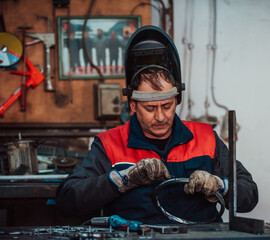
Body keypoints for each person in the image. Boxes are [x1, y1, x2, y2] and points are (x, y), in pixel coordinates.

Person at [56, 25, 258, 224]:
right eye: (150, 108)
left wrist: (220, 186)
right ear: (133, 105)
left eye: (167, 106)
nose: (161, 117)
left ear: (177, 100)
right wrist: (123, 180)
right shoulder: (110, 144)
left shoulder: (205, 138)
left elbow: (250, 195)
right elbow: (67, 200)